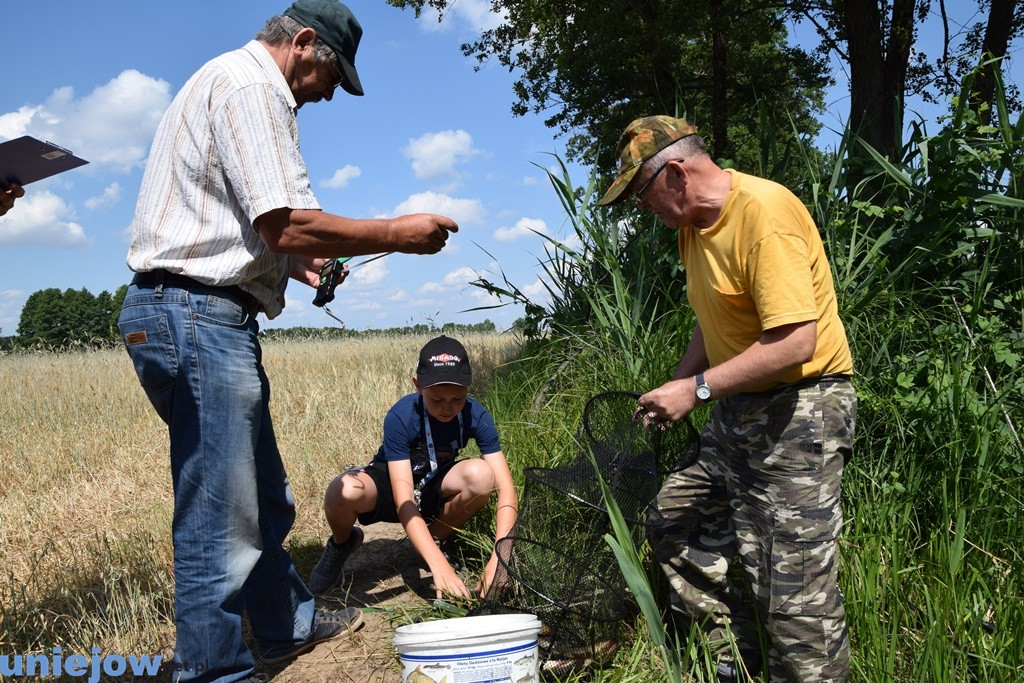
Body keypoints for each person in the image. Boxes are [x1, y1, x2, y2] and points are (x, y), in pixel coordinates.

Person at [116, 2, 458, 681]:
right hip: (197, 316)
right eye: (332, 74)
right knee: (220, 510)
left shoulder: (224, 80)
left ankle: (283, 626)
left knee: (262, 495)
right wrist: (397, 233)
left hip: (197, 312)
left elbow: (251, 229)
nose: (329, 92)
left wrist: (297, 264)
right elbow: (288, 222)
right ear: (303, 43)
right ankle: (215, 669)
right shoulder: (253, 88)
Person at [597, 116, 856, 683]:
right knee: (675, 517)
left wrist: (697, 390)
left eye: (640, 193)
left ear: (676, 172)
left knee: (794, 591)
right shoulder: (694, 227)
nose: (641, 210)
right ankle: (738, 658)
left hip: (801, 406)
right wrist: (679, 380)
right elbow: (710, 318)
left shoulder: (764, 213)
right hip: (739, 408)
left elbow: (795, 342)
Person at [308, 335, 518, 601]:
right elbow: (403, 500)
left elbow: (507, 489)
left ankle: (434, 540)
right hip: (392, 484)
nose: (447, 408)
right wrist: (439, 568)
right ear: (418, 385)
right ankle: (342, 543)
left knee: (483, 476)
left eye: (457, 398)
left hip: (433, 485)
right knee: (343, 491)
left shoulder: (476, 414)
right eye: (437, 399)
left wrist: (501, 557)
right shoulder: (401, 416)